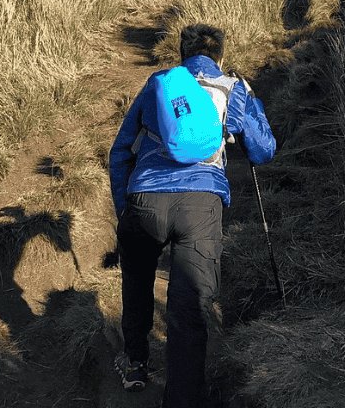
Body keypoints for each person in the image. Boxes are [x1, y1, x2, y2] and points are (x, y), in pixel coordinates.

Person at [109, 23, 276, 408]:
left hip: (145, 198)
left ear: (181, 54)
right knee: (189, 307)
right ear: (221, 55)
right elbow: (264, 150)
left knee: (137, 281)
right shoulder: (234, 88)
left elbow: (120, 152)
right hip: (202, 203)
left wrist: (125, 211)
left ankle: (135, 364)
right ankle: (182, 398)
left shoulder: (159, 84)